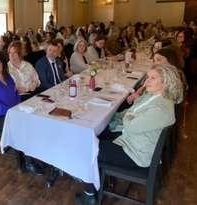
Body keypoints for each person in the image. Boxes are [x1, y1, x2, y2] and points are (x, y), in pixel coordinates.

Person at [76, 63, 183, 205]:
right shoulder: (154, 96)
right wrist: (128, 115)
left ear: (166, 82)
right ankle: (100, 179)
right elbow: (132, 111)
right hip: (132, 140)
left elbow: (131, 124)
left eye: (153, 78)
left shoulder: (161, 108)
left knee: (86, 150)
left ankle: (90, 196)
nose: (147, 82)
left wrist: (128, 116)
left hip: (135, 154)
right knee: (98, 134)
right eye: (148, 77)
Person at [0, 51, 43, 175]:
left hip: (13, 112)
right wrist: (13, 111)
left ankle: (35, 153)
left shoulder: (8, 77)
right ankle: (27, 162)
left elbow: (16, 96)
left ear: (3, 64)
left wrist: (18, 109)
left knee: (34, 119)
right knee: (22, 126)